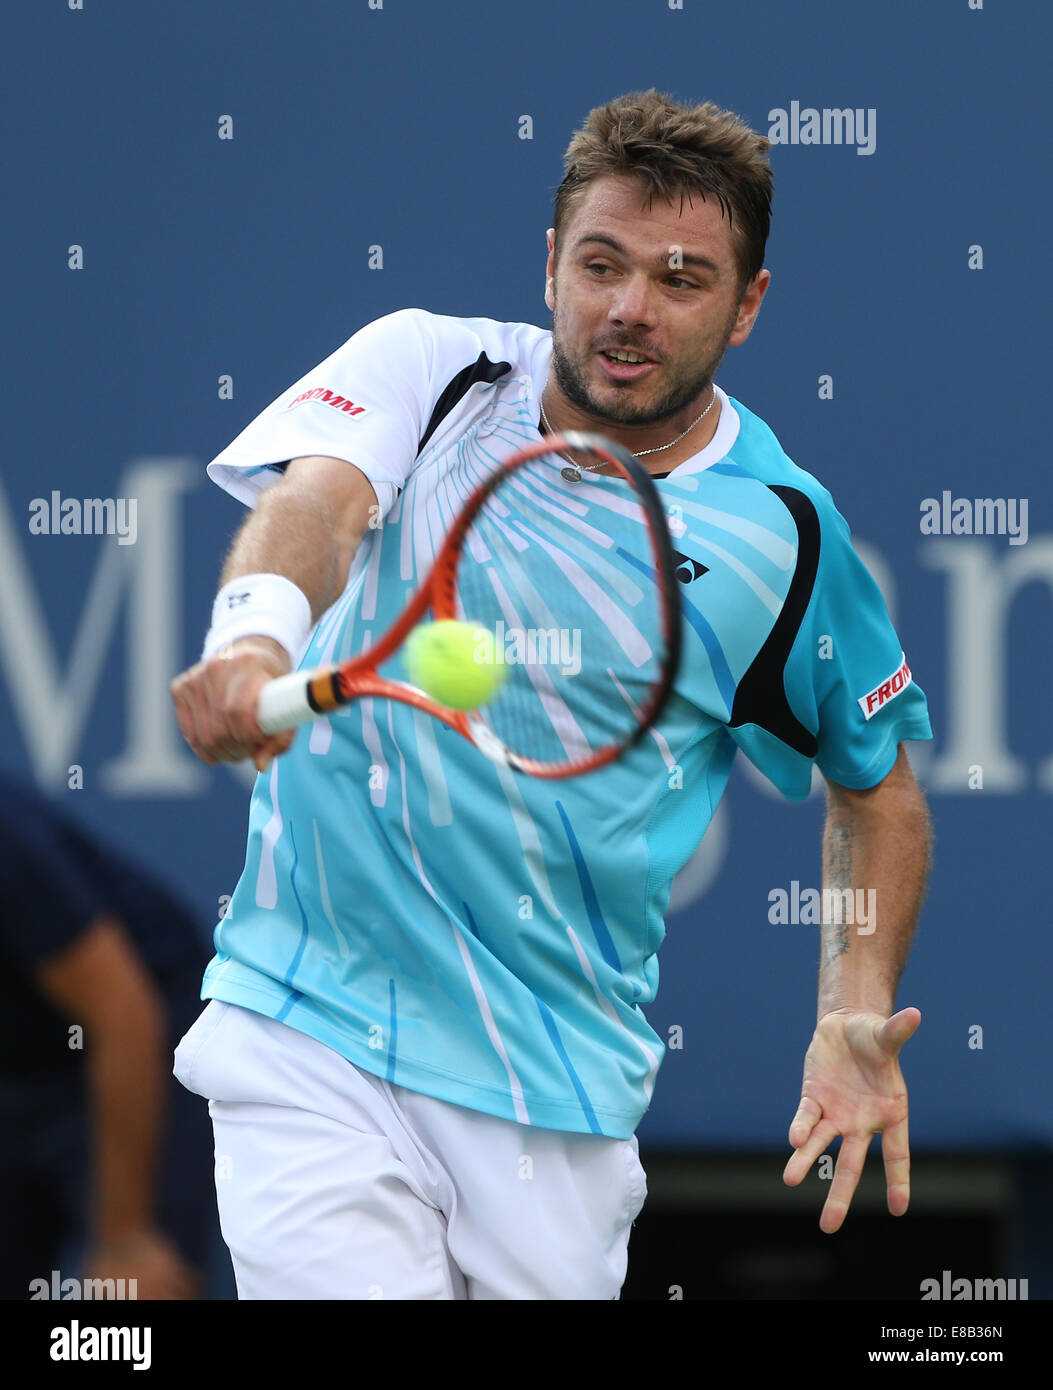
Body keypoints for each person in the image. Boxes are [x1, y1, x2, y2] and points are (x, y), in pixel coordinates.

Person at [170, 88, 933, 1300]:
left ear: (748, 307)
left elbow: (877, 791)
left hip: (554, 1101)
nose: (630, 309)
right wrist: (256, 635)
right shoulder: (436, 368)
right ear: (551, 265)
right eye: (602, 264)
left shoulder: (783, 536)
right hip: (307, 1024)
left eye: (683, 279)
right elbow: (314, 503)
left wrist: (852, 1001)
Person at [0, 769, 215, 1299]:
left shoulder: (10, 840)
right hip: (21, 1061)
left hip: (143, 1032)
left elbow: (122, 1014)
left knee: (133, 1295)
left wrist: (124, 1240)